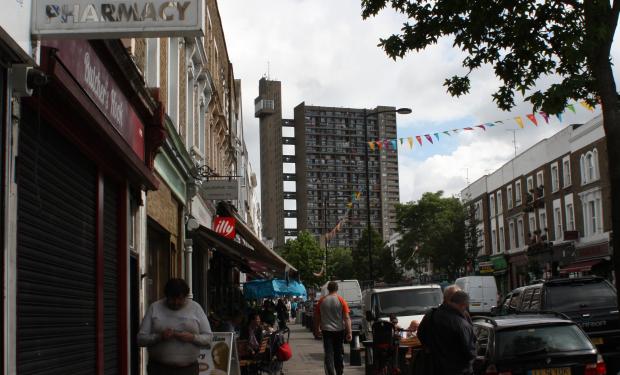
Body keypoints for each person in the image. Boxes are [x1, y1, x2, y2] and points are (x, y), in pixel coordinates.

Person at [137, 278, 212, 375]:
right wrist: (159, 337)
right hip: (159, 369)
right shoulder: (154, 308)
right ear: (166, 296)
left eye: (180, 299)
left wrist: (192, 337)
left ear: (185, 297)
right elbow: (141, 339)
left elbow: (208, 338)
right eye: (172, 299)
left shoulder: (195, 308)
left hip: (188, 370)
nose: (176, 303)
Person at [417, 288, 476, 375]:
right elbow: (469, 350)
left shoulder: (431, 314)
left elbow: (421, 335)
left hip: (434, 368)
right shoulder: (460, 322)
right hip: (457, 370)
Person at [314, 281, 352, 375]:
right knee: (338, 353)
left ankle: (330, 372)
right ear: (337, 289)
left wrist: (317, 329)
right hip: (339, 331)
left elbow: (317, 317)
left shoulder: (321, 301)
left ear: (328, 289)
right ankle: (339, 372)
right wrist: (349, 332)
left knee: (329, 353)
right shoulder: (341, 300)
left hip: (326, 331)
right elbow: (346, 318)